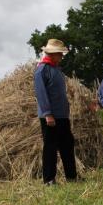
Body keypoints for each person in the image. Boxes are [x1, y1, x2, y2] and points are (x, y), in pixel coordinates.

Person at [34, 39, 78, 185]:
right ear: (52, 54)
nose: (61, 56)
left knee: (67, 145)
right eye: (60, 53)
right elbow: (41, 93)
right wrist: (47, 113)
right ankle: (49, 179)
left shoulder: (57, 70)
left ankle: (71, 176)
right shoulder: (42, 70)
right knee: (50, 148)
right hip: (50, 117)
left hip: (62, 115)